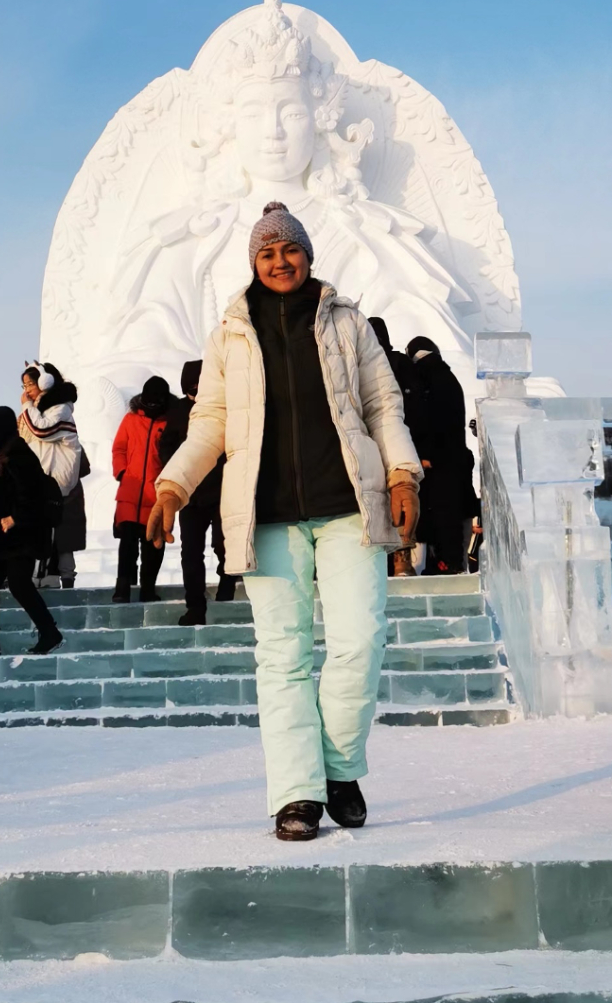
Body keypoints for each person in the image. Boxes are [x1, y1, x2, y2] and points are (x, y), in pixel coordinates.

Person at [147, 201, 422, 841]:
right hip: (266, 517)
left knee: (360, 640)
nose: (279, 261)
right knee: (283, 657)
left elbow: (383, 405)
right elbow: (210, 421)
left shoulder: (348, 322)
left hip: (349, 505)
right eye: (267, 253)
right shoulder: (230, 335)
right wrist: (173, 485)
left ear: (308, 255)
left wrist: (402, 474)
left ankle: (339, 768)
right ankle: (297, 792)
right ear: (253, 262)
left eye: (289, 249)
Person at [0, 408, 63, 656]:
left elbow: (31, 495)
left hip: (19, 538)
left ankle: (49, 632)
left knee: (19, 583)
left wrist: (15, 518)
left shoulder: (19, 457)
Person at [159, 361, 235, 626]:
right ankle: (195, 606)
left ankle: (227, 582)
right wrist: (177, 473)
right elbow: (166, 446)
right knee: (190, 553)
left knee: (224, 544)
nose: (198, 391)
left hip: (222, 490)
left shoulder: (224, 406)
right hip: (190, 496)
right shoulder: (179, 411)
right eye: (192, 387)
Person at [405, 336, 470, 575]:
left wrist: (425, 453)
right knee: (450, 516)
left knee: (435, 517)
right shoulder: (448, 377)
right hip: (454, 460)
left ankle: (441, 565)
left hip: (433, 461)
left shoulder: (422, 377)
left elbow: (426, 418)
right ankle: (451, 565)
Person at [368, 317, 425, 577]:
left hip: (371, 441)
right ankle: (402, 560)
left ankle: (382, 562)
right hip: (401, 439)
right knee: (402, 501)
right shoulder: (400, 362)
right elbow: (417, 407)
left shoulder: (363, 361)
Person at [20, 362, 84, 587]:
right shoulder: (38, 411)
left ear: (45, 382)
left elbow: (42, 430)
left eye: (30, 384)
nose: (27, 390)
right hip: (42, 481)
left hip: (56, 481)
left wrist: (27, 406)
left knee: (55, 533)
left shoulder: (60, 410)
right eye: (24, 386)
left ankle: (50, 577)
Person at [112, 376, 172, 603]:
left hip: (157, 494)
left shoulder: (170, 423)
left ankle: (148, 589)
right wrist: (122, 472)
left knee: (153, 545)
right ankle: (122, 588)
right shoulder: (130, 419)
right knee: (127, 543)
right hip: (130, 491)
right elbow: (119, 448)